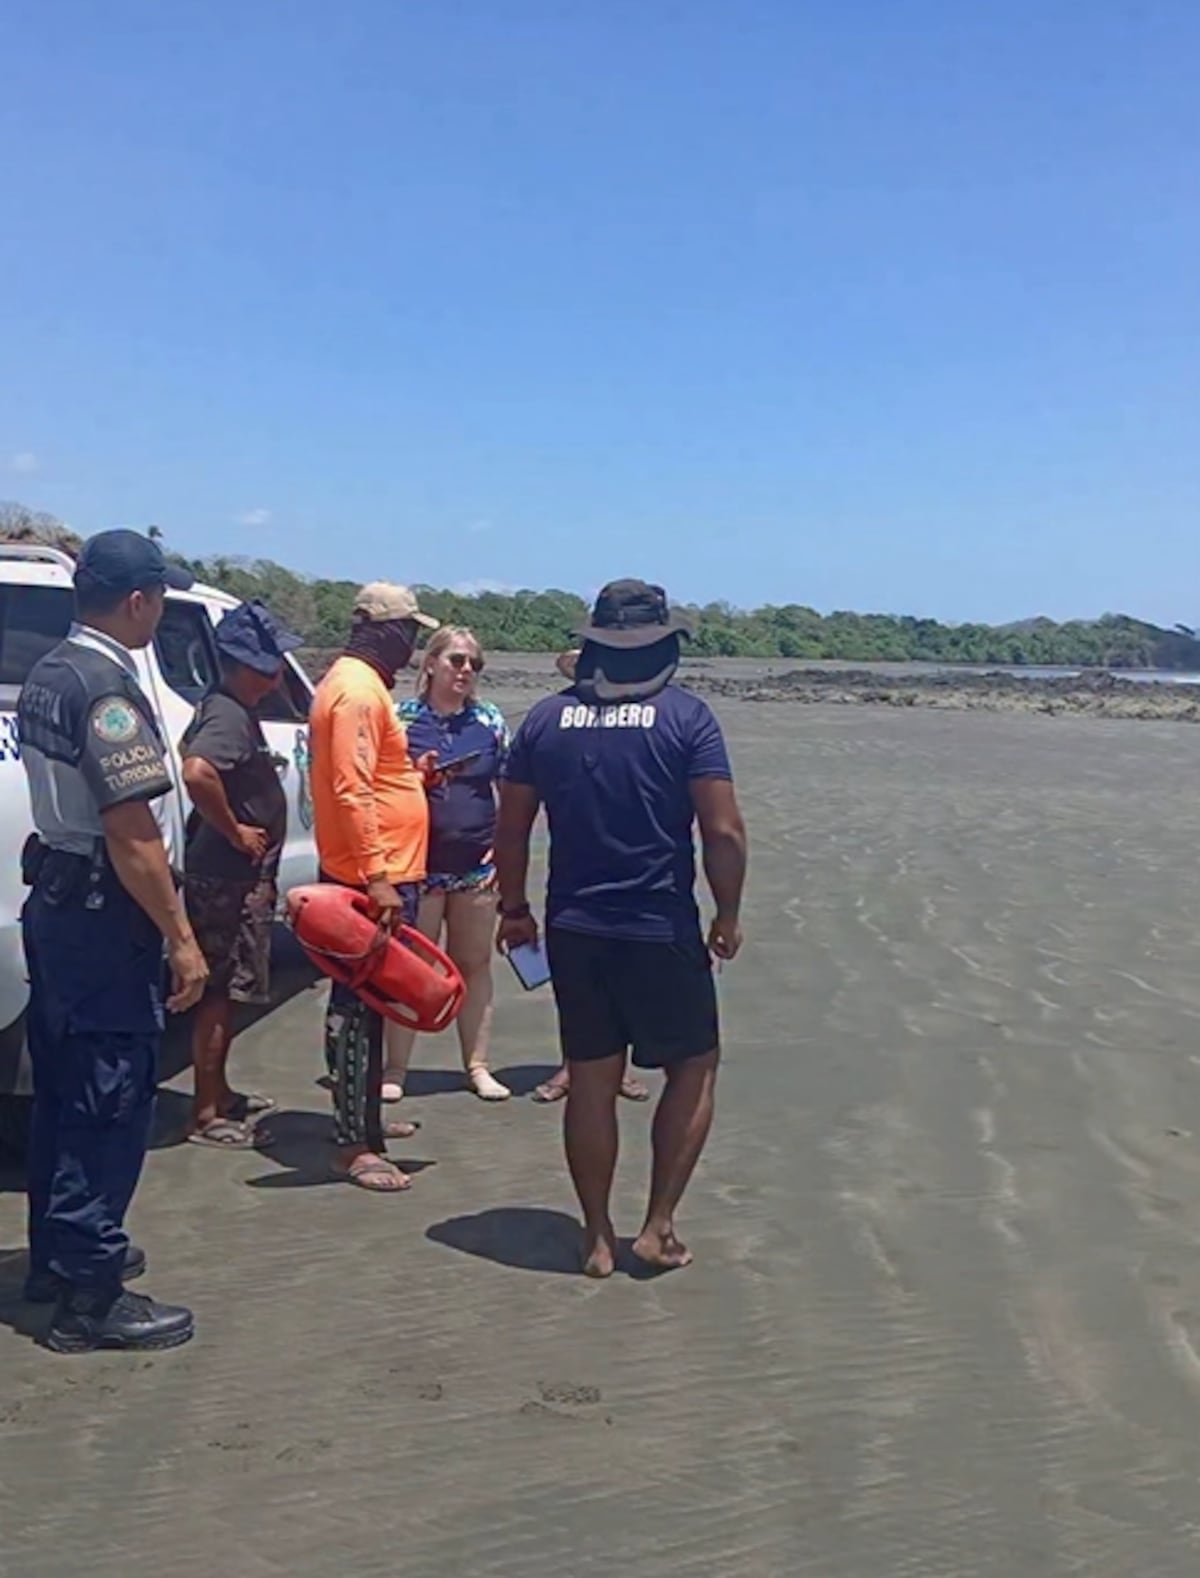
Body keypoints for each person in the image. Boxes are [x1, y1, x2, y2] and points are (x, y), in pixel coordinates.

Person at [496, 579, 747, 1278]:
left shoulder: (545, 720)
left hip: (574, 927)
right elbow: (723, 831)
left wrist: (514, 909)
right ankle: (657, 1226)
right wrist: (727, 913)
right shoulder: (687, 719)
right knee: (694, 1066)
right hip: (658, 924)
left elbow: (510, 828)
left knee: (591, 1079)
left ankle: (597, 1236)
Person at [17, 529, 209, 1352]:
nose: (159, 610)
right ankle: (90, 1295)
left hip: (62, 902)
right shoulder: (105, 688)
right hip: (104, 914)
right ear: (138, 601)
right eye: (159, 597)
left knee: (64, 1093)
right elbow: (132, 830)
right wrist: (181, 937)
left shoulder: (51, 670)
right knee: (108, 1098)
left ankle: (59, 1258)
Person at [308, 581, 440, 1192]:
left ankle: (363, 1121)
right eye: (409, 631)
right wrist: (378, 877)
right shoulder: (359, 692)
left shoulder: (360, 687)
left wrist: (411, 779)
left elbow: (368, 777)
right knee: (359, 1009)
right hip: (368, 879)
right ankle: (353, 1145)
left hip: (377, 870)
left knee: (374, 1006)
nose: (412, 644)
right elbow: (350, 789)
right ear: (383, 631)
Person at [180, 599, 304, 1149]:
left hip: (232, 875)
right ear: (240, 665)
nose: (276, 676)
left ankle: (219, 1091)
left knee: (227, 993)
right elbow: (197, 772)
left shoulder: (228, 708)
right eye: (267, 665)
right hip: (225, 879)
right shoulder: (228, 714)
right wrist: (235, 831)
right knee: (219, 993)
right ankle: (206, 1113)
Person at [381, 628, 512, 1103]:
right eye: (457, 660)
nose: (465, 670)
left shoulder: (490, 720)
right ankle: (396, 1068)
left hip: (476, 868)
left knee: (474, 965)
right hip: (416, 868)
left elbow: (510, 789)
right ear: (431, 663)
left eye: (475, 664)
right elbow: (378, 787)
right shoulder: (399, 719)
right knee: (410, 968)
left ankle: (477, 1066)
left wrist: (505, 848)